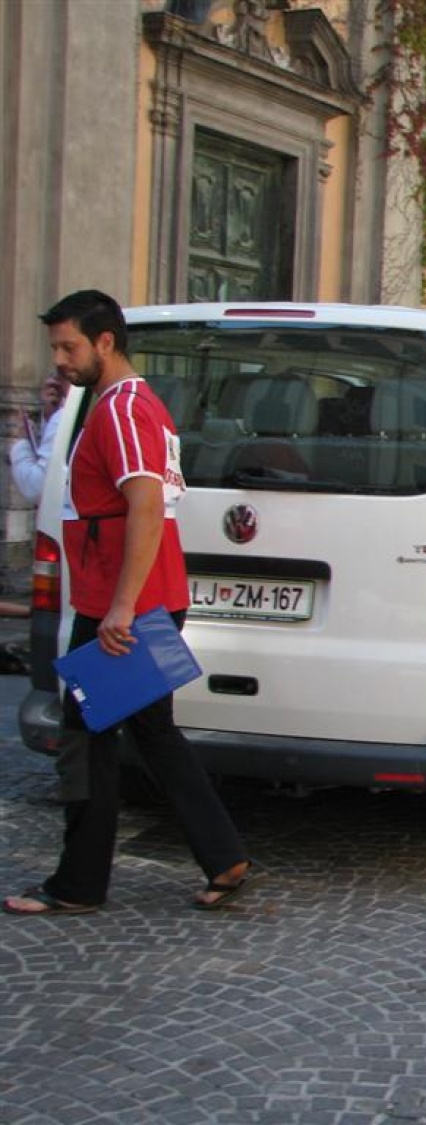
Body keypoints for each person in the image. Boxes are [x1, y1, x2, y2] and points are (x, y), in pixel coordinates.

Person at [3, 290, 253, 917]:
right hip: (139, 601)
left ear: (105, 342)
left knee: (87, 742)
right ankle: (224, 855)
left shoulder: (120, 410)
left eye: (69, 347)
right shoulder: (131, 405)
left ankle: (77, 886)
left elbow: (145, 505)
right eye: (56, 347)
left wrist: (117, 610)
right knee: (152, 734)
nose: (59, 360)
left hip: (123, 609)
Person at [9, 370, 71, 505]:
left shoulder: (63, 417)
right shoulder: (61, 416)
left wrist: (22, 443)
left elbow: (35, 488)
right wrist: (50, 418)